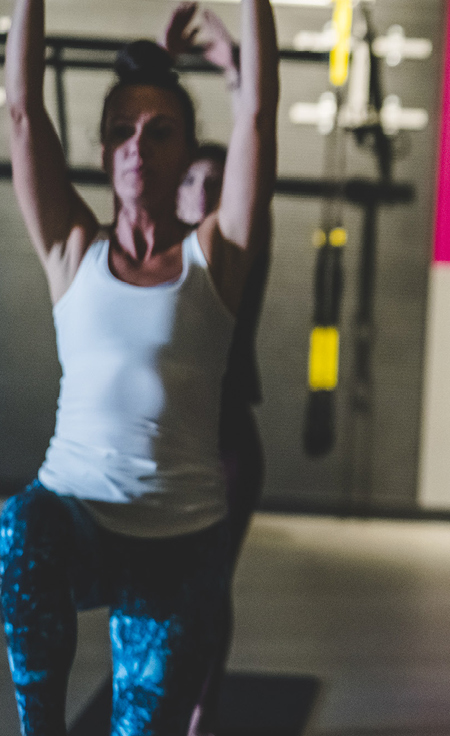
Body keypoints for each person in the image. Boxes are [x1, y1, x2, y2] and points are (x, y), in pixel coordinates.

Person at [0, 0, 279, 732]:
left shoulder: (216, 258)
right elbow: (24, 110)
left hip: (178, 543)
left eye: (158, 133)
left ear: (189, 152)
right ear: (102, 152)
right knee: (19, 523)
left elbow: (256, 120)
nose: (136, 147)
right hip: (77, 516)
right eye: (121, 132)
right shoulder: (72, 252)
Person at [160, 4, 274, 734]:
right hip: (169, 448)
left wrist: (236, 68)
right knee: (167, 590)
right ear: (175, 192)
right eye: (192, 180)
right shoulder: (148, 257)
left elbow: (256, 130)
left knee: (208, 586)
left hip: (229, 446)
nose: (205, 190)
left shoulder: (236, 252)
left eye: (216, 180)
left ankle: (203, 712)